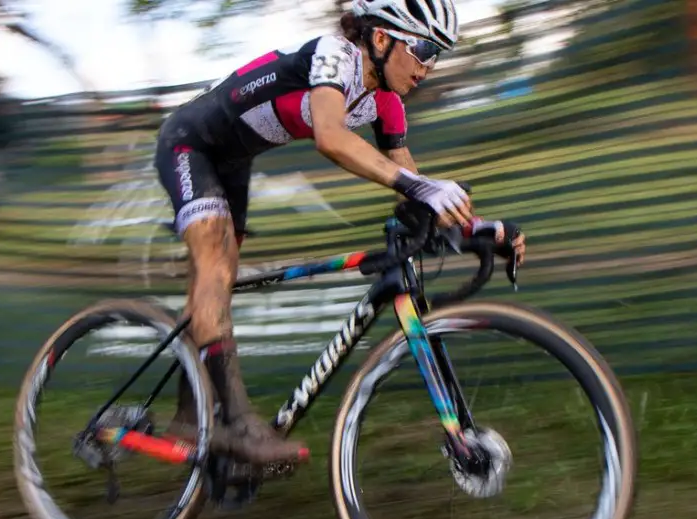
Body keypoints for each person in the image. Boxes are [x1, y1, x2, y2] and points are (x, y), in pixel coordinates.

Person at [152, 0, 526, 466]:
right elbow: (331, 136)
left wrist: (478, 228)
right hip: (189, 143)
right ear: (383, 38)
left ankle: (192, 417)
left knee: (217, 283)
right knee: (215, 267)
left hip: (233, 161)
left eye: (439, 54)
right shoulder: (335, 54)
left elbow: (413, 185)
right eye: (425, 48)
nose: (429, 66)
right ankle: (238, 422)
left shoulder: (387, 101)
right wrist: (422, 188)